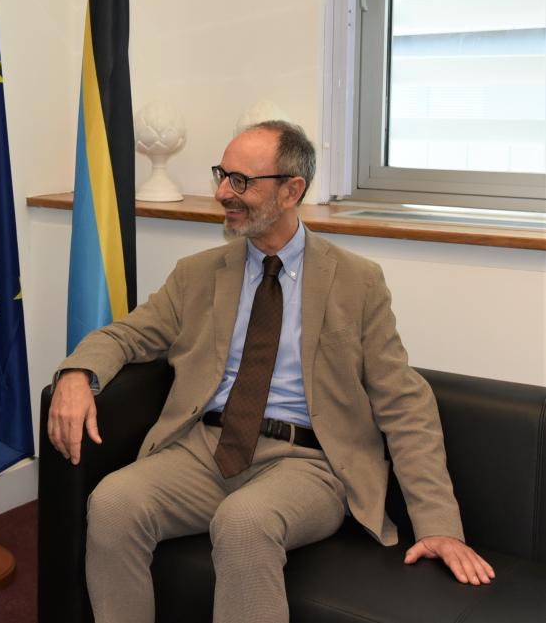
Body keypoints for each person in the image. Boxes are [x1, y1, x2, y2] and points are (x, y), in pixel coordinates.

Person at [47, 121, 495, 623]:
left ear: (291, 191)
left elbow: (404, 403)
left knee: (244, 522)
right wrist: (76, 375)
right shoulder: (196, 274)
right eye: (222, 175)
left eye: (241, 181)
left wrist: (438, 524)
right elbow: (123, 335)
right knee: (112, 502)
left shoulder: (357, 283)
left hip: (307, 462)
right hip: (203, 450)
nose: (222, 193)